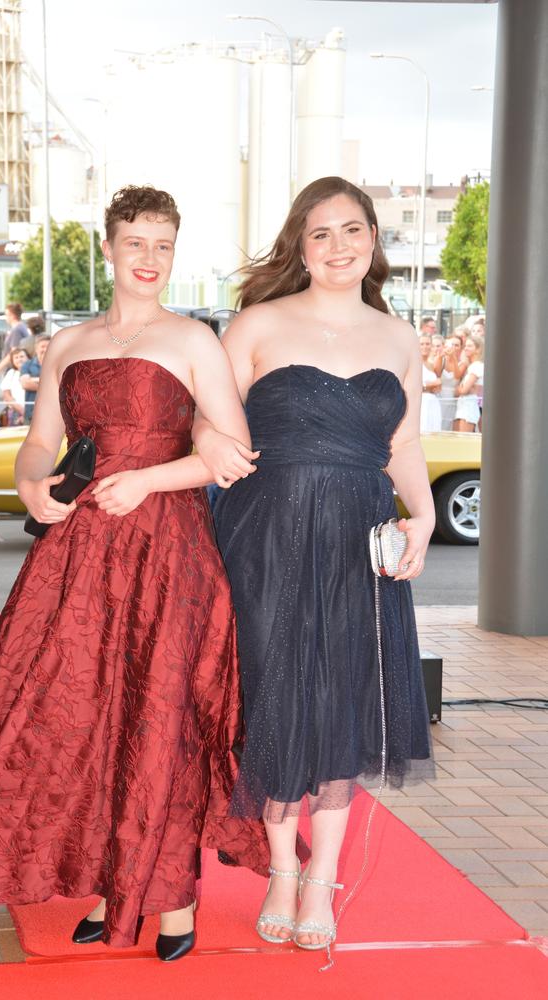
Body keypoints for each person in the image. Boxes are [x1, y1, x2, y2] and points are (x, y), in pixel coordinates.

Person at [0, 184, 274, 962]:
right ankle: (113, 884)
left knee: (159, 717)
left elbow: (230, 455)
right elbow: (40, 442)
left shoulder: (194, 340)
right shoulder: (65, 344)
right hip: (82, 552)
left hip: (170, 550)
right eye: (135, 242)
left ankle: (169, 899)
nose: (149, 259)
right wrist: (33, 483)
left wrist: (149, 480)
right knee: (84, 714)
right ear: (107, 248)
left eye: (163, 245)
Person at [195, 176, 433, 953]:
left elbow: (403, 446)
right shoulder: (258, 322)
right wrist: (210, 447)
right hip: (266, 536)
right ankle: (282, 872)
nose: (339, 246)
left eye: (352, 229)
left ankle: (321, 879)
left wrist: (423, 517)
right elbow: (207, 423)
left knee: (342, 700)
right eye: (321, 233)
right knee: (275, 696)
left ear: (374, 240)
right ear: (300, 245)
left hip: (359, 536)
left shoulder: (400, 338)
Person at [435, 331, 467, 430]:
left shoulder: (463, 363)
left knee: (450, 425)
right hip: (440, 397)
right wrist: (440, 356)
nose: (453, 347)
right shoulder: (441, 359)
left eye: (457, 345)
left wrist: (453, 358)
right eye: (451, 344)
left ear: (461, 348)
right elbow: (437, 373)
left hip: (454, 399)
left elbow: (457, 376)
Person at [454, 334, 484, 432]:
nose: (466, 348)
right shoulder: (471, 366)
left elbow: (463, 390)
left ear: (478, 349)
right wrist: (462, 389)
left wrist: (461, 389)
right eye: (466, 346)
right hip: (463, 405)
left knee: (462, 441)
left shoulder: (477, 366)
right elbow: (462, 390)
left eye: (470, 346)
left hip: (469, 407)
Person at [20, 335, 50, 423]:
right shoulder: (27, 365)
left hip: (53, 415)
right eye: (42, 346)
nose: (45, 349)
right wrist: (50, 387)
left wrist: (34, 380)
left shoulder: (59, 365)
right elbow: (25, 384)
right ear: (36, 349)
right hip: (32, 415)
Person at [0, 303, 30, 376]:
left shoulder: (16, 330)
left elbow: (14, 352)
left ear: (12, 315)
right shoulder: (21, 327)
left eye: (7, 315)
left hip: (13, 369)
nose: (6, 318)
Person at [419, 333, 442, 433]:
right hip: (421, 402)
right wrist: (431, 384)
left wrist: (435, 387)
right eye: (422, 344)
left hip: (433, 402)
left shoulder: (431, 364)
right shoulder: (414, 362)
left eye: (427, 344)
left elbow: (437, 386)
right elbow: (413, 385)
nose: (425, 346)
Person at [0, 346, 28, 424]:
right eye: (16, 357)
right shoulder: (11, 373)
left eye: (22, 356)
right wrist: (22, 411)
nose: (19, 359)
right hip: (15, 412)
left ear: (28, 358)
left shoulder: (35, 372)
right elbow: (6, 395)